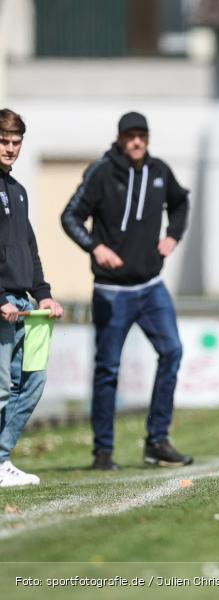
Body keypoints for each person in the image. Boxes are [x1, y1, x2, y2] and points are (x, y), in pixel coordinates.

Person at [61, 112, 191, 471]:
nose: (137, 142)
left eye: (142, 136)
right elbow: (70, 216)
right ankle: (103, 452)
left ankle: (157, 442)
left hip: (151, 288)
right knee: (108, 369)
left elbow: (180, 203)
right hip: (110, 291)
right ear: (119, 138)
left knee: (172, 352)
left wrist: (173, 235)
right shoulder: (101, 173)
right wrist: (94, 247)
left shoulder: (160, 171)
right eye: (130, 136)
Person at [0, 109, 64, 486]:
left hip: (27, 308)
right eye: (4, 141)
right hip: (3, 307)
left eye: (16, 142)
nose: (10, 149)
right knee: (3, 390)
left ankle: (2, 457)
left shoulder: (18, 191)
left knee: (34, 383)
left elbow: (29, 247)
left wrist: (44, 295)